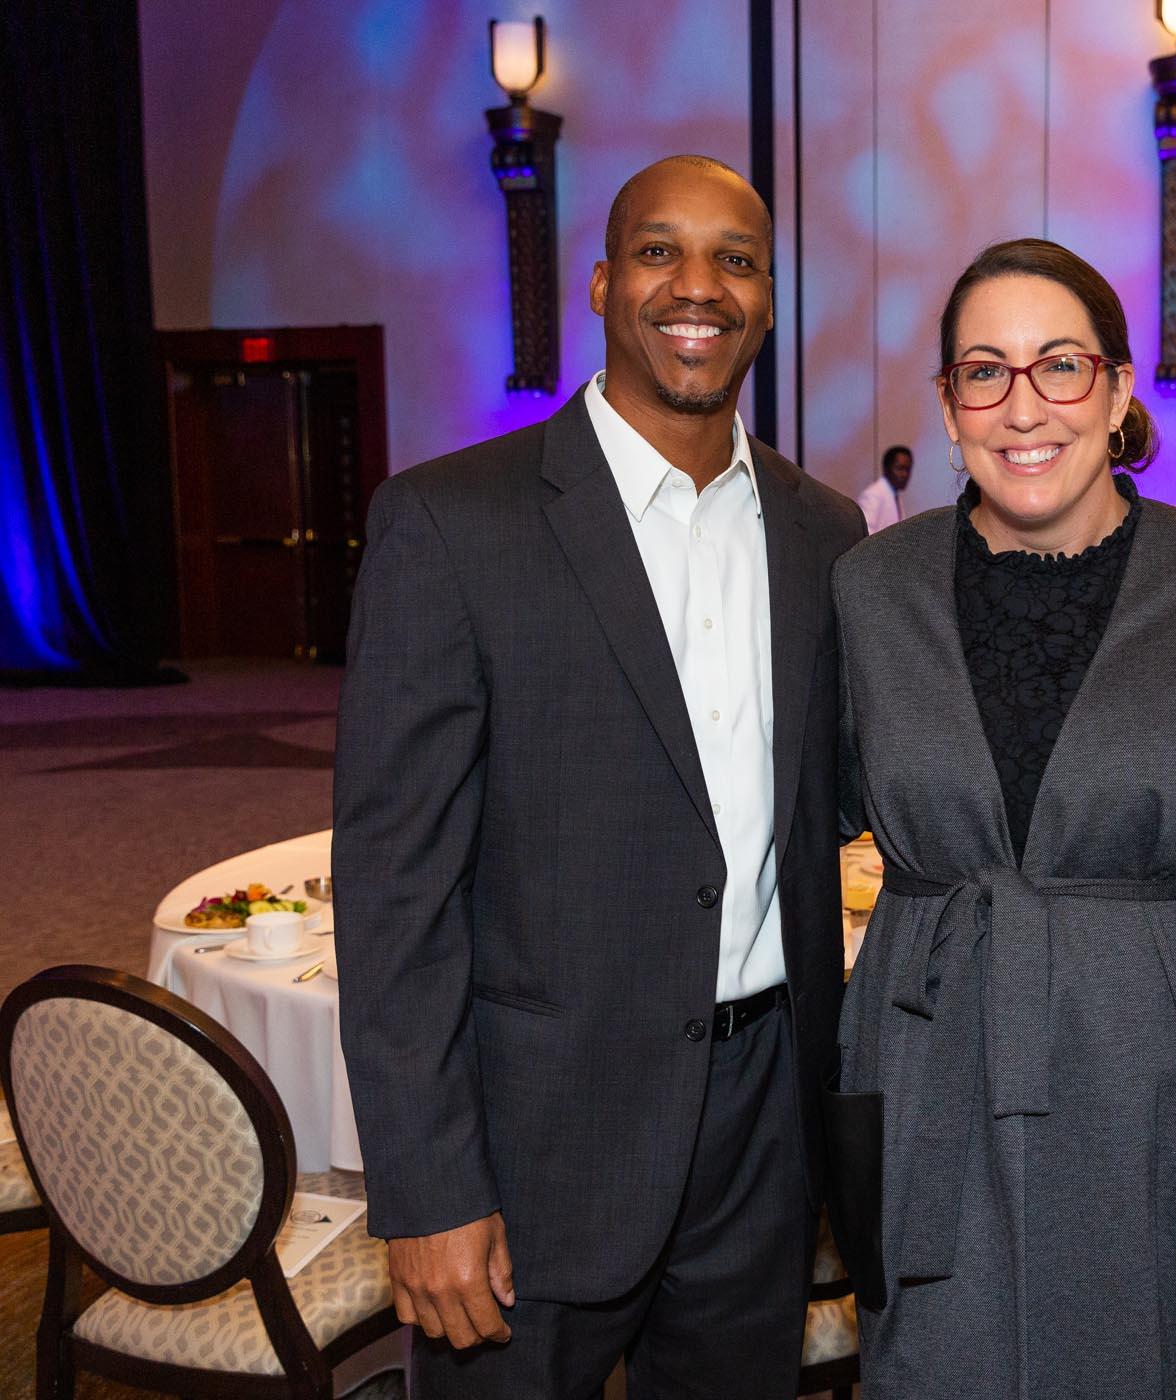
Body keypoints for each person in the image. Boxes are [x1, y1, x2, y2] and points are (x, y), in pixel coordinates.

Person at [333, 155, 864, 1398]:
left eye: (736, 259)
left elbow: (826, 798)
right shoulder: (451, 522)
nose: (699, 286)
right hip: (535, 1143)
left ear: (769, 299)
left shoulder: (826, 532)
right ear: (601, 280)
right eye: (659, 250)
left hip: (761, 1133)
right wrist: (429, 1184)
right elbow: (395, 888)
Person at [826, 238, 1176, 1397]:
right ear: (950, 407)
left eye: (1061, 365)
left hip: (1159, 1072)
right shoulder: (870, 590)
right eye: (984, 371)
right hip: (932, 1058)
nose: (1023, 404)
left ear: (1119, 389)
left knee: (1158, 1357)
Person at [856, 443, 913, 532]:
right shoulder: (873, 495)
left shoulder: (895, 495)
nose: (905, 474)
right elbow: (865, 533)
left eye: (908, 469)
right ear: (886, 468)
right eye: (900, 468)